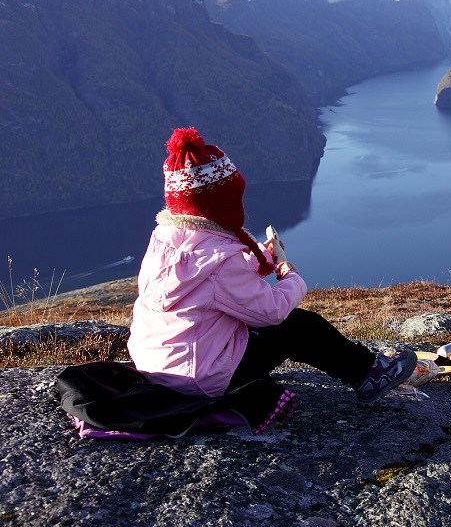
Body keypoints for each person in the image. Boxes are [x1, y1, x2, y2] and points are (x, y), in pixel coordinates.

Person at [128, 127, 416, 404]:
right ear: (220, 202)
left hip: (158, 367)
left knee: (257, 325)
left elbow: (210, 284)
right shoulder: (220, 262)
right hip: (200, 379)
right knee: (300, 327)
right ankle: (369, 374)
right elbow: (271, 312)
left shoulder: (165, 240)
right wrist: (290, 275)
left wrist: (259, 258)